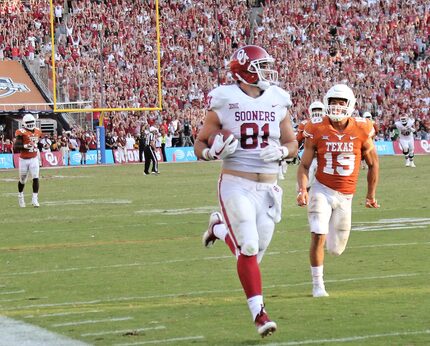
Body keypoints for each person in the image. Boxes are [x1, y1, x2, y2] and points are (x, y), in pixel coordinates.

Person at [194, 45, 298, 338]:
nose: (267, 72)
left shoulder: (278, 99)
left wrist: (281, 151)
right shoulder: (225, 98)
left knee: (254, 251)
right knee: (249, 247)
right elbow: (200, 142)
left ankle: (219, 229)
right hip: (235, 183)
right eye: (261, 66)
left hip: (268, 187)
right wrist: (211, 153)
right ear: (245, 70)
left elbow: (292, 144)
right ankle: (260, 315)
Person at [296, 84, 379, 298]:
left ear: (350, 105)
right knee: (318, 234)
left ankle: (321, 275)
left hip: (346, 196)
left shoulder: (362, 128)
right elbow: (304, 165)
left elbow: (373, 164)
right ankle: (317, 285)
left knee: (336, 249)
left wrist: (370, 195)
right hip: (321, 189)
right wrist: (302, 189)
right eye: (333, 102)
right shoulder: (317, 128)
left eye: (341, 103)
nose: (336, 106)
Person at [13, 114, 43, 207]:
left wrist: (40, 146)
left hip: (34, 158)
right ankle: (20, 196)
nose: (30, 124)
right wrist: (25, 146)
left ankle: (35, 199)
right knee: (22, 180)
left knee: (35, 177)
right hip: (24, 159)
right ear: (24, 123)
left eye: (31, 122)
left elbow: (39, 143)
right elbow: (15, 147)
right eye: (28, 122)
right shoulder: (21, 132)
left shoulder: (38, 131)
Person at [295, 101, 325, 188]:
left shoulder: (328, 123)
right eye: (315, 110)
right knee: (309, 172)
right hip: (308, 154)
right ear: (310, 111)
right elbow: (298, 140)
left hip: (323, 155)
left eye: (319, 110)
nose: (317, 112)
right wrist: (302, 134)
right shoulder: (305, 123)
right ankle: (303, 189)